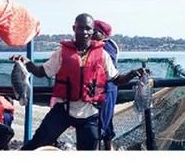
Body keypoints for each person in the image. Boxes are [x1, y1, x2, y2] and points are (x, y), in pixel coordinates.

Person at [12, 13, 149, 150]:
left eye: (88, 29)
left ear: (93, 31)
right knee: (36, 145)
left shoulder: (102, 54)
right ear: (74, 28)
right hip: (63, 110)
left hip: (89, 114)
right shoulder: (62, 52)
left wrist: (132, 74)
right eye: (80, 28)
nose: (84, 32)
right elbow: (41, 72)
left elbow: (117, 79)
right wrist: (26, 62)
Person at [92, 20, 119, 150]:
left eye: (93, 30)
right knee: (106, 124)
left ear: (102, 34)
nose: (90, 33)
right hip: (99, 89)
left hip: (107, 90)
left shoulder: (107, 47)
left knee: (100, 124)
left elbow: (107, 71)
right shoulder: (95, 45)